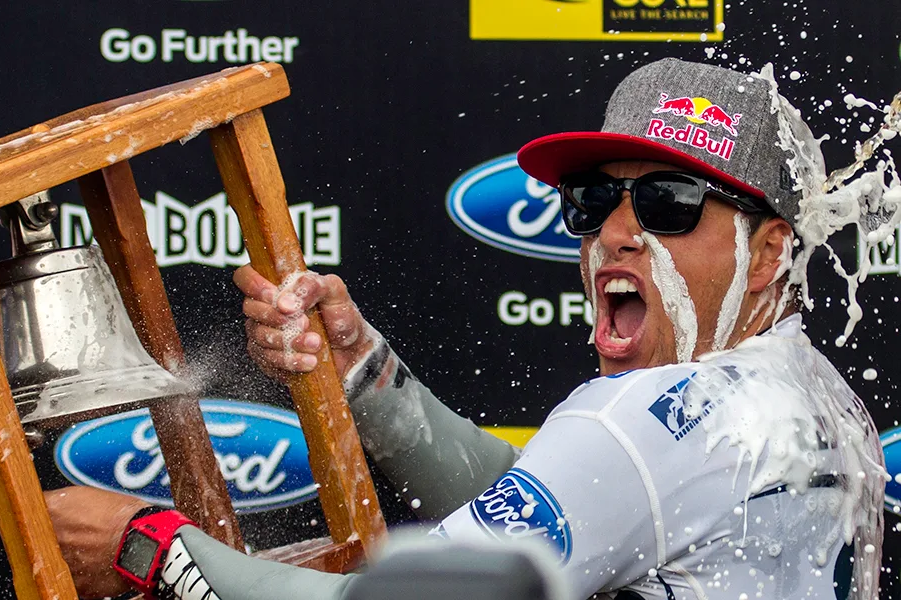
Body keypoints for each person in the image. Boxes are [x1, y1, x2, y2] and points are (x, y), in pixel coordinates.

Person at [45, 58, 886, 600]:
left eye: (670, 205)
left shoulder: (649, 426)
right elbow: (567, 506)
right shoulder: (809, 390)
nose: (618, 234)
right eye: (595, 201)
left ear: (772, 251)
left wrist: (146, 545)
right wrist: (365, 371)